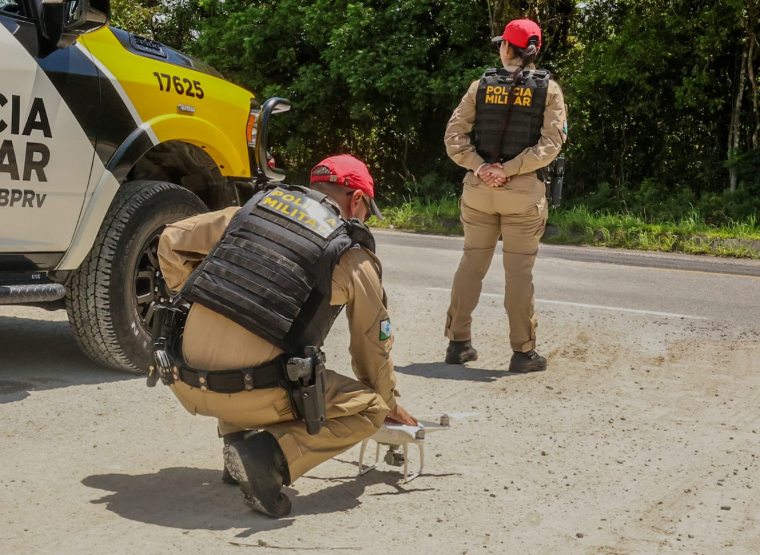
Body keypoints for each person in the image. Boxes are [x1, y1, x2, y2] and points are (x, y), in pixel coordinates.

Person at [155, 154, 417, 518]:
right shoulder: (350, 252)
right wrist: (387, 402)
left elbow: (170, 240)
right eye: (366, 210)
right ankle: (266, 458)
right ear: (356, 200)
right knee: (368, 407)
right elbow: (371, 345)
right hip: (251, 391)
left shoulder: (248, 213)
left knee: (247, 337)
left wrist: (198, 295)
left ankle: (238, 446)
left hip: (183, 376)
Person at [442, 19, 567, 373]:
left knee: (471, 264)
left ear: (506, 48)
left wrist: (481, 167)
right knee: (518, 274)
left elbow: (454, 135)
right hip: (523, 194)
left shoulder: (480, 85)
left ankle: (458, 343)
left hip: (480, 191)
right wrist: (509, 169)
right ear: (534, 50)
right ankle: (523, 352)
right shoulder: (550, 90)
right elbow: (551, 144)